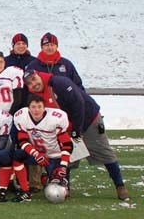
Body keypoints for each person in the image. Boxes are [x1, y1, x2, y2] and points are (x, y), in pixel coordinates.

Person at [24, 70, 130, 201]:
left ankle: (120, 185)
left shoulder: (58, 83)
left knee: (104, 153)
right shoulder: (36, 97)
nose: (33, 84)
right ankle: (65, 187)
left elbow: (79, 103)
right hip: (67, 127)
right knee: (65, 156)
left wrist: (76, 130)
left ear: (39, 75)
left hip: (88, 120)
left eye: (34, 79)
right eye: (29, 83)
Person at [12, 95, 73, 203]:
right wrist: (36, 154)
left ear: (44, 107)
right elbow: (22, 141)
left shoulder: (56, 118)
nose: (36, 110)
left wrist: (63, 166)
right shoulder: (22, 116)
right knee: (17, 155)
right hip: (36, 153)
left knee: (58, 192)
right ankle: (25, 190)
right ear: (28, 108)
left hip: (54, 155)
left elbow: (67, 144)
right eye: (33, 107)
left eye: (39, 106)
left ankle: (46, 178)